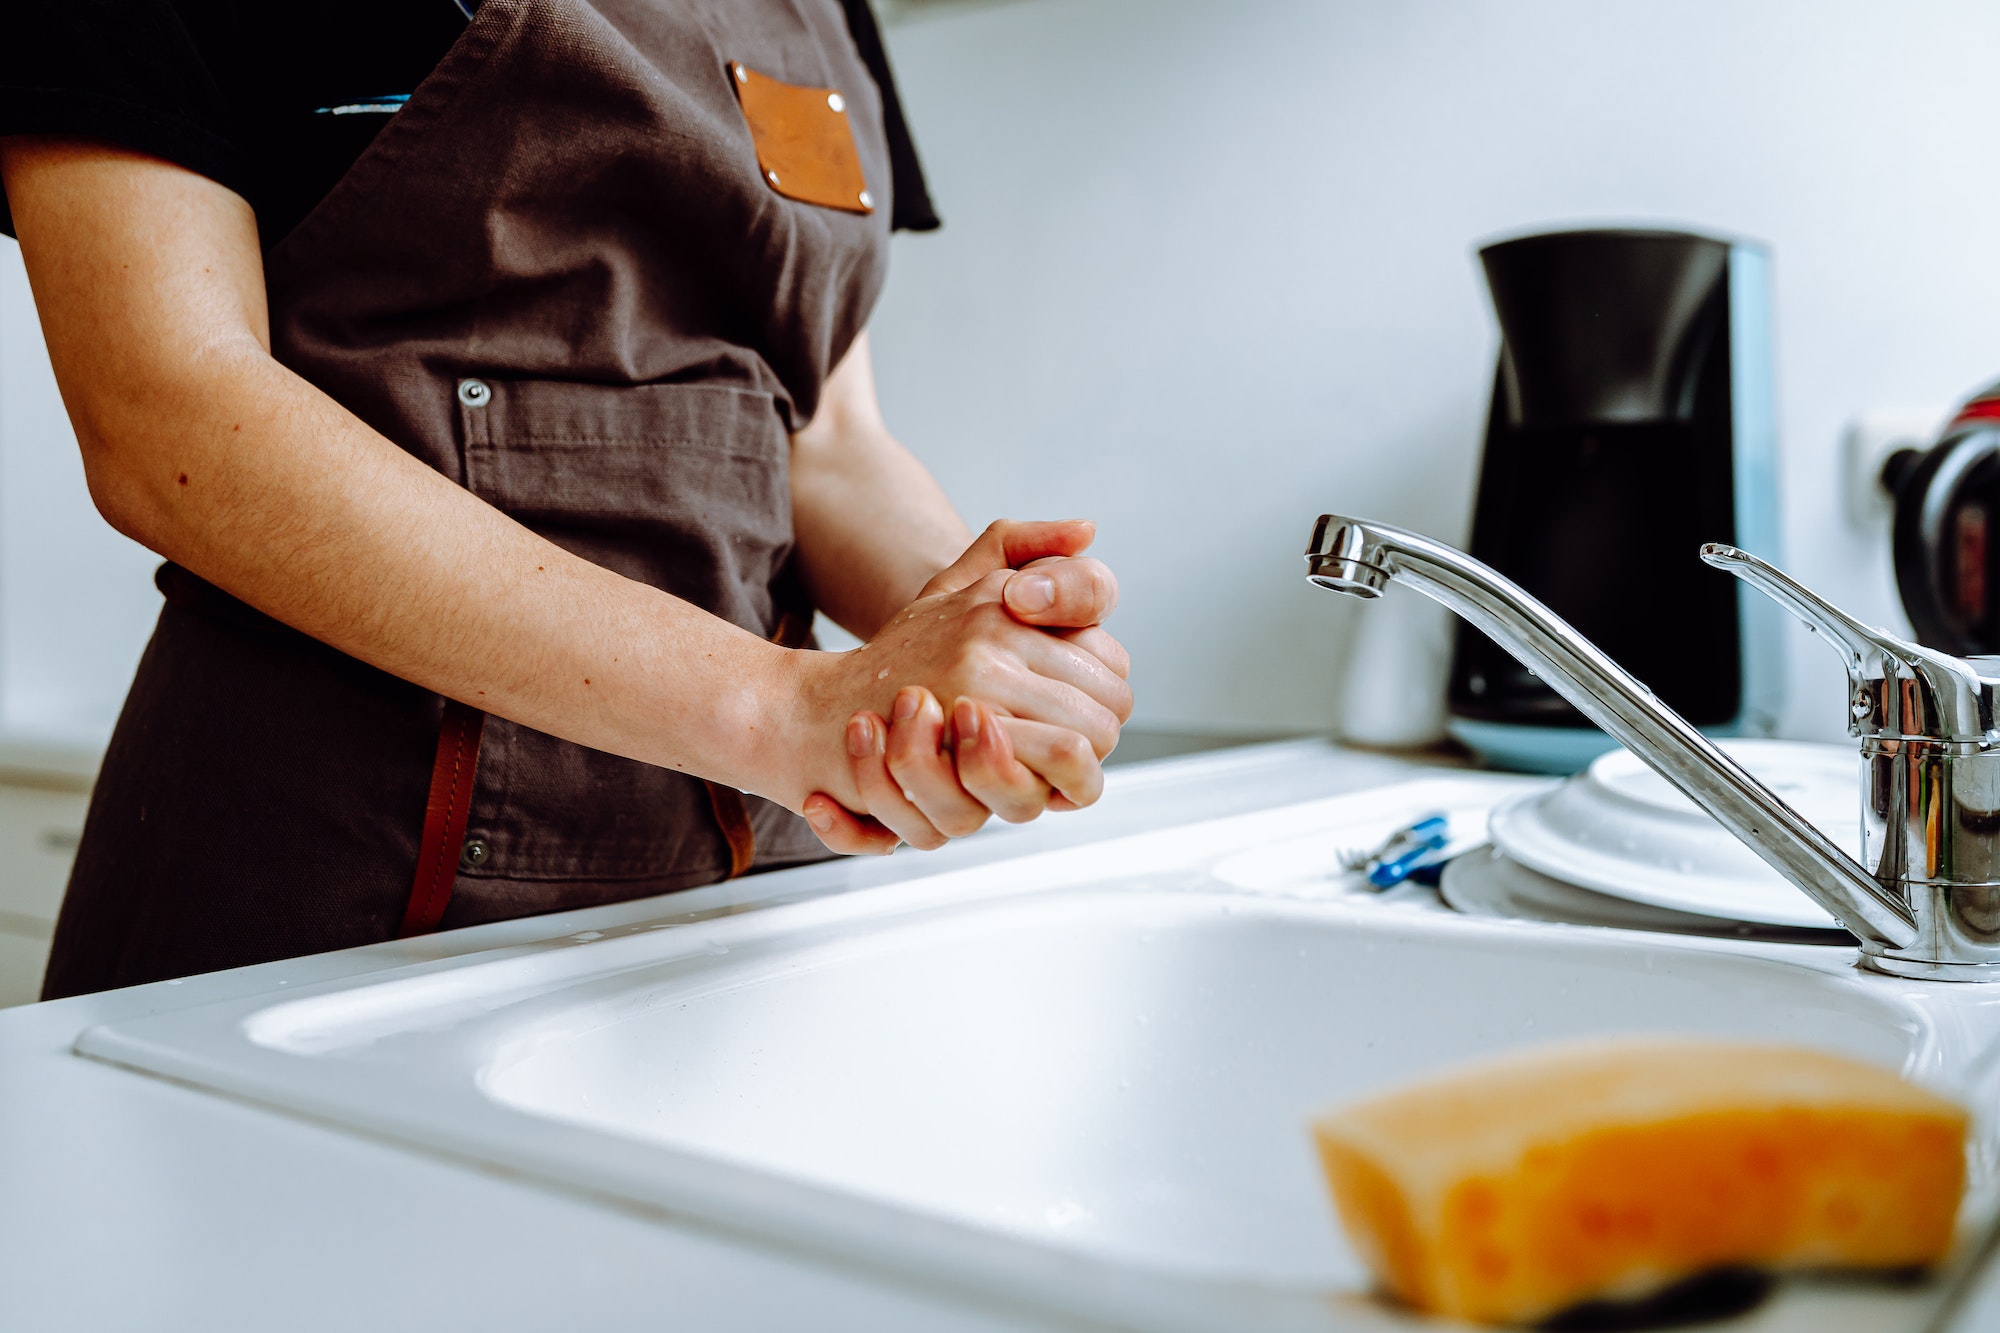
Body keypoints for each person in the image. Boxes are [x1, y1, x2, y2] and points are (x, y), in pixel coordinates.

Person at [0, 0, 1131, 1000]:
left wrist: (986, 651)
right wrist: (782, 712)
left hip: (757, 897)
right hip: (346, 891)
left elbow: (823, 439)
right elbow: (168, 415)